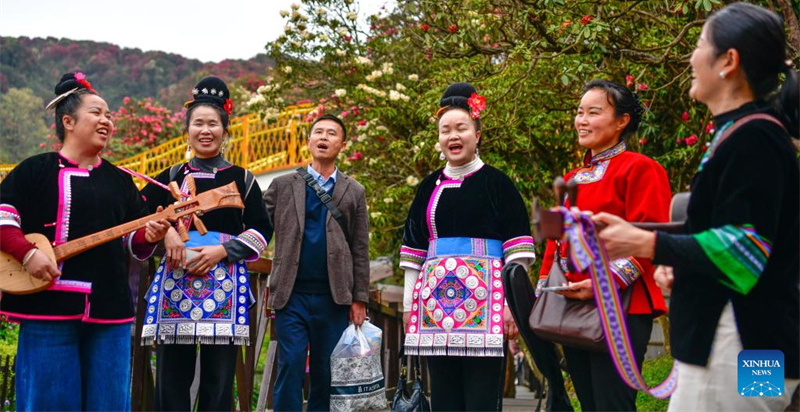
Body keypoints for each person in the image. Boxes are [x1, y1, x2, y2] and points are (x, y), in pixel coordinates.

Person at [594, 2, 799, 411]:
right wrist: (683, 263)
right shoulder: (744, 133)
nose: (691, 57)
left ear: (729, 61)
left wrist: (646, 242)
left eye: (701, 44)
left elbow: (744, 249)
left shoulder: (754, 138)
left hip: (736, 345)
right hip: (749, 343)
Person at [0, 72, 169, 411]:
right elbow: (3, 219)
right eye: (97, 112)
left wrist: (150, 236)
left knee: (108, 403)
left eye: (109, 115)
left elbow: (134, 242)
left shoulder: (121, 181)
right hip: (48, 307)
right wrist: (28, 253)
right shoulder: (35, 171)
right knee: (48, 403)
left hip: (109, 312)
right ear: (68, 120)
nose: (106, 120)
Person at [400, 82, 536, 411]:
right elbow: (413, 254)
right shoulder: (428, 187)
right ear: (438, 140)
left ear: (477, 135)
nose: (453, 136)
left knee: (482, 399)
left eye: (462, 128)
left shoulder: (497, 183)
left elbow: (517, 251)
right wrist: (408, 308)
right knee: (444, 398)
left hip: (487, 308)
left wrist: (511, 307)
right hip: (435, 311)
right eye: (445, 130)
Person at [139, 77, 273, 411]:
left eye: (213, 123)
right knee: (171, 375)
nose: (205, 130)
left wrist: (223, 251)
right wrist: (168, 232)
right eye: (198, 123)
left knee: (219, 378)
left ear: (225, 130)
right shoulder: (168, 175)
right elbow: (138, 216)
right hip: (176, 278)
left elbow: (261, 230)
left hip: (224, 283)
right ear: (187, 129)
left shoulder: (243, 179)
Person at [536, 79, 670, 411]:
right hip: (571, 304)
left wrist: (601, 284)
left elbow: (649, 237)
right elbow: (557, 242)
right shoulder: (571, 178)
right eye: (579, 112)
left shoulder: (642, 169)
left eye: (593, 112)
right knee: (590, 404)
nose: (581, 120)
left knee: (614, 404)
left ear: (622, 120)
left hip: (621, 305)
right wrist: (546, 290)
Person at [266, 114, 371, 411]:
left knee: (326, 371)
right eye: (318, 132)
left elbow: (360, 247)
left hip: (334, 297)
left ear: (343, 144)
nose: (324, 137)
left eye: (331, 133)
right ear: (309, 141)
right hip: (291, 294)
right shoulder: (283, 184)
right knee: (291, 364)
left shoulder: (355, 191)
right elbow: (259, 228)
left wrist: (359, 298)